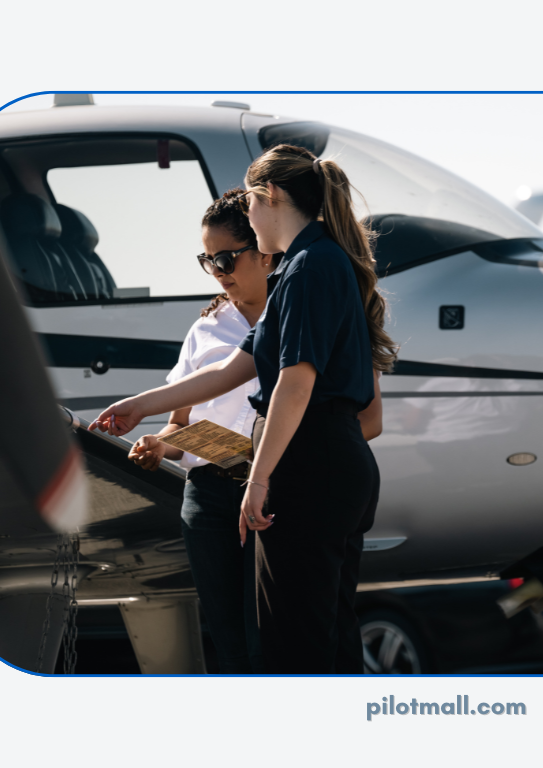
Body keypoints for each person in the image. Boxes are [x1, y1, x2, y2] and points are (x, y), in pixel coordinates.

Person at [91, 145, 397, 674]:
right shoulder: (307, 267)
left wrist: (256, 479)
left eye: (250, 208)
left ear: (270, 197)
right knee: (324, 639)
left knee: (292, 649)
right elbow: (232, 370)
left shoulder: (307, 267)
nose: (250, 222)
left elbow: (295, 384)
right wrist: (137, 406)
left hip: (308, 465)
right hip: (325, 464)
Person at [126, 189, 272, 674]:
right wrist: (160, 444)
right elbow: (181, 423)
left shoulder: (297, 316)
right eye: (209, 261)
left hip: (276, 489)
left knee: (274, 636)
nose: (219, 271)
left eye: (227, 257)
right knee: (230, 642)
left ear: (265, 249)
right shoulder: (205, 328)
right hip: (209, 498)